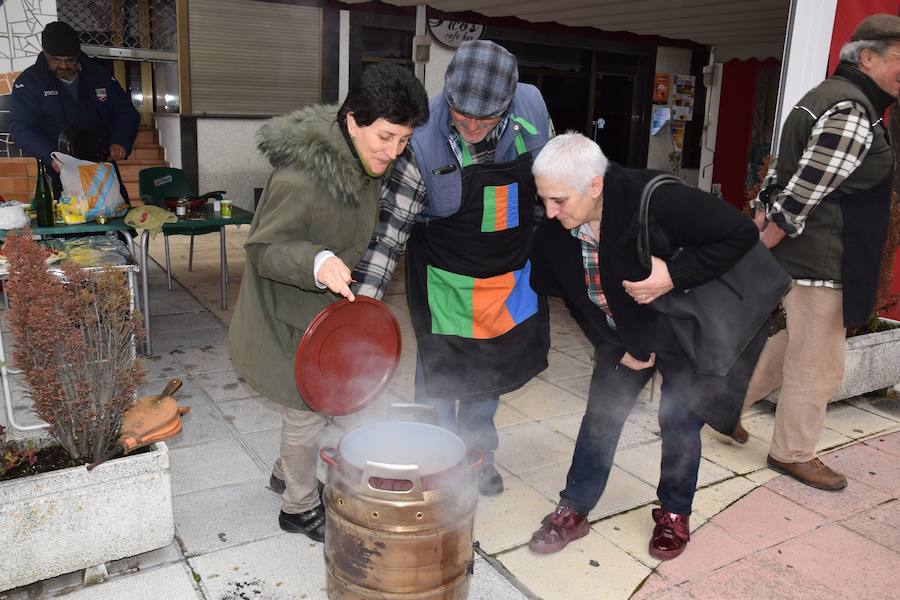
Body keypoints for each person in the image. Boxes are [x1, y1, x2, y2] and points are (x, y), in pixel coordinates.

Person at [526, 133, 762, 560]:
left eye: (559, 200)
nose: (550, 211)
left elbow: (740, 233)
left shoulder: (656, 200)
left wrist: (674, 274)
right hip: (622, 338)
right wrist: (612, 347)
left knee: (679, 423)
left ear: (594, 185)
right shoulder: (553, 232)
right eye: (544, 199)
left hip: (680, 332)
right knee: (600, 416)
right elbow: (573, 300)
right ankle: (574, 508)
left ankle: (674, 513)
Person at [228, 64, 429, 542]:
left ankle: (284, 470)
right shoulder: (303, 178)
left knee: (314, 405)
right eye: (385, 137)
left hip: (320, 308)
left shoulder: (362, 154)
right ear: (354, 120)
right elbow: (263, 248)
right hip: (287, 306)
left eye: (403, 140)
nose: (393, 152)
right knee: (305, 406)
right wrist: (317, 260)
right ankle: (297, 506)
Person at [352, 40, 553, 496]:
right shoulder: (419, 138)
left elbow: (548, 187)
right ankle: (435, 459)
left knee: (493, 369)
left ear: (508, 101)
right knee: (439, 375)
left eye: (487, 117)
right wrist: (362, 308)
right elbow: (390, 232)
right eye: (462, 114)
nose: (473, 126)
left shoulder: (533, 108)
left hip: (508, 270)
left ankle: (479, 455)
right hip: (446, 273)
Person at [738, 13, 900, 491]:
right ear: (868, 57)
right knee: (820, 364)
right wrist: (762, 241)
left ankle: (724, 405)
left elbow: (780, 172)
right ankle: (792, 453)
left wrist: (761, 212)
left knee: (794, 346)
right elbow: (804, 189)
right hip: (823, 260)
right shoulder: (853, 110)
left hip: (810, 257)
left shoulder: (822, 97)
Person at [8, 21, 139, 195]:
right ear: (45, 53)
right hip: (59, 168)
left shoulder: (98, 74)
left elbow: (126, 112)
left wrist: (121, 141)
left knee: (114, 215)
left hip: (101, 164)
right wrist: (51, 156)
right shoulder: (30, 82)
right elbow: (20, 128)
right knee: (68, 218)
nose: (63, 66)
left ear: (77, 54)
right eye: (55, 60)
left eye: (70, 60)